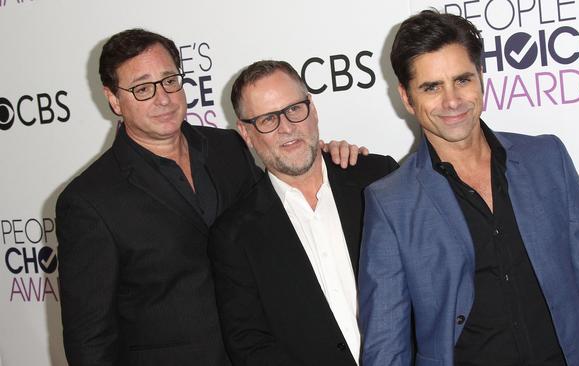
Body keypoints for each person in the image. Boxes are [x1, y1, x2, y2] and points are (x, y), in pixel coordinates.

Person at [55, 29, 363, 366]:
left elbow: (280, 205)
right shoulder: (89, 201)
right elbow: (89, 342)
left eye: (169, 80)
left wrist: (328, 158)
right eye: (142, 88)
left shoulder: (228, 147)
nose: (163, 98)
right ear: (114, 99)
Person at [358, 10, 579, 366]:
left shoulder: (547, 159)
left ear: (481, 78)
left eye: (462, 80)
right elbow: (386, 344)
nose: (452, 100)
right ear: (407, 98)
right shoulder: (391, 202)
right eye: (431, 87)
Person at [209, 60, 398, 366]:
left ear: (312, 108)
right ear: (245, 133)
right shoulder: (234, 235)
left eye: (294, 109)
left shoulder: (377, 178)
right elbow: (250, 344)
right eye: (268, 119)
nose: (287, 127)